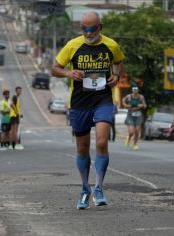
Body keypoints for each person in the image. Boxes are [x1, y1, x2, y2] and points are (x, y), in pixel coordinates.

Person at [51, 11, 124, 210]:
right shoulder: (72, 45)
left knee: (101, 141)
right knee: (82, 148)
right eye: (84, 28)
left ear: (101, 26)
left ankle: (99, 188)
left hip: (102, 99)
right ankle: (85, 189)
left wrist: (116, 76)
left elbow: (118, 61)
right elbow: (54, 68)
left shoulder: (111, 45)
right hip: (80, 102)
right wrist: (68, 72)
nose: (89, 32)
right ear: (80, 28)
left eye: (93, 28)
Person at [122, 86, 146, 151]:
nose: (135, 91)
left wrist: (142, 105)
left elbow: (145, 105)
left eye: (136, 90)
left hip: (138, 115)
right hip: (130, 115)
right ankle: (129, 137)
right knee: (132, 131)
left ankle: (135, 144)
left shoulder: (141, 97)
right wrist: (126, 105)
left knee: (137, 131)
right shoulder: (129, 96)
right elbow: (123, 101)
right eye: (134, 90)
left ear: (138, 90)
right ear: (132, 90)